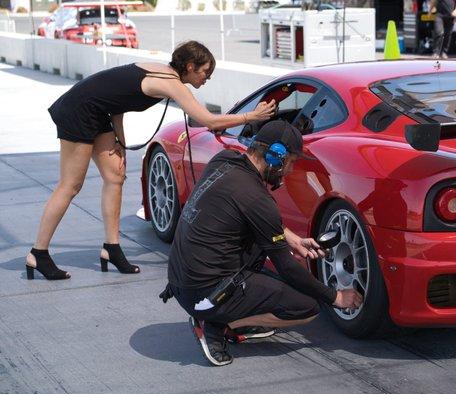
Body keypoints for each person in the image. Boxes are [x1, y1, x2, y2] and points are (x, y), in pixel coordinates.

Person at [25, 40, 276, 280]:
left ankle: (111, 249)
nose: (207, 78)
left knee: (115, 177)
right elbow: (208, 121)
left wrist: (119, 143)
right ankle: (39, 253)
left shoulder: (163, 72)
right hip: (78, 110)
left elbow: (116, 100)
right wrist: (250, 116)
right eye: (205, 72)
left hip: (98, 111)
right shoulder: (170, 83)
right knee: (70, 185)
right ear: (190, 67)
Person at [164, 120, 363, 366]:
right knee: (307, 307)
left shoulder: (224, 160)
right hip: (203, 293)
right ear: (276, 157)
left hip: (180, 278)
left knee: (258, 245)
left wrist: (293, 239)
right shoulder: (257, 198)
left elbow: (247, 214)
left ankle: (229, 314)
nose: (289, 171)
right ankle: (215, 324)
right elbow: (287, 268)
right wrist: (335, 297)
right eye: (290, 163)